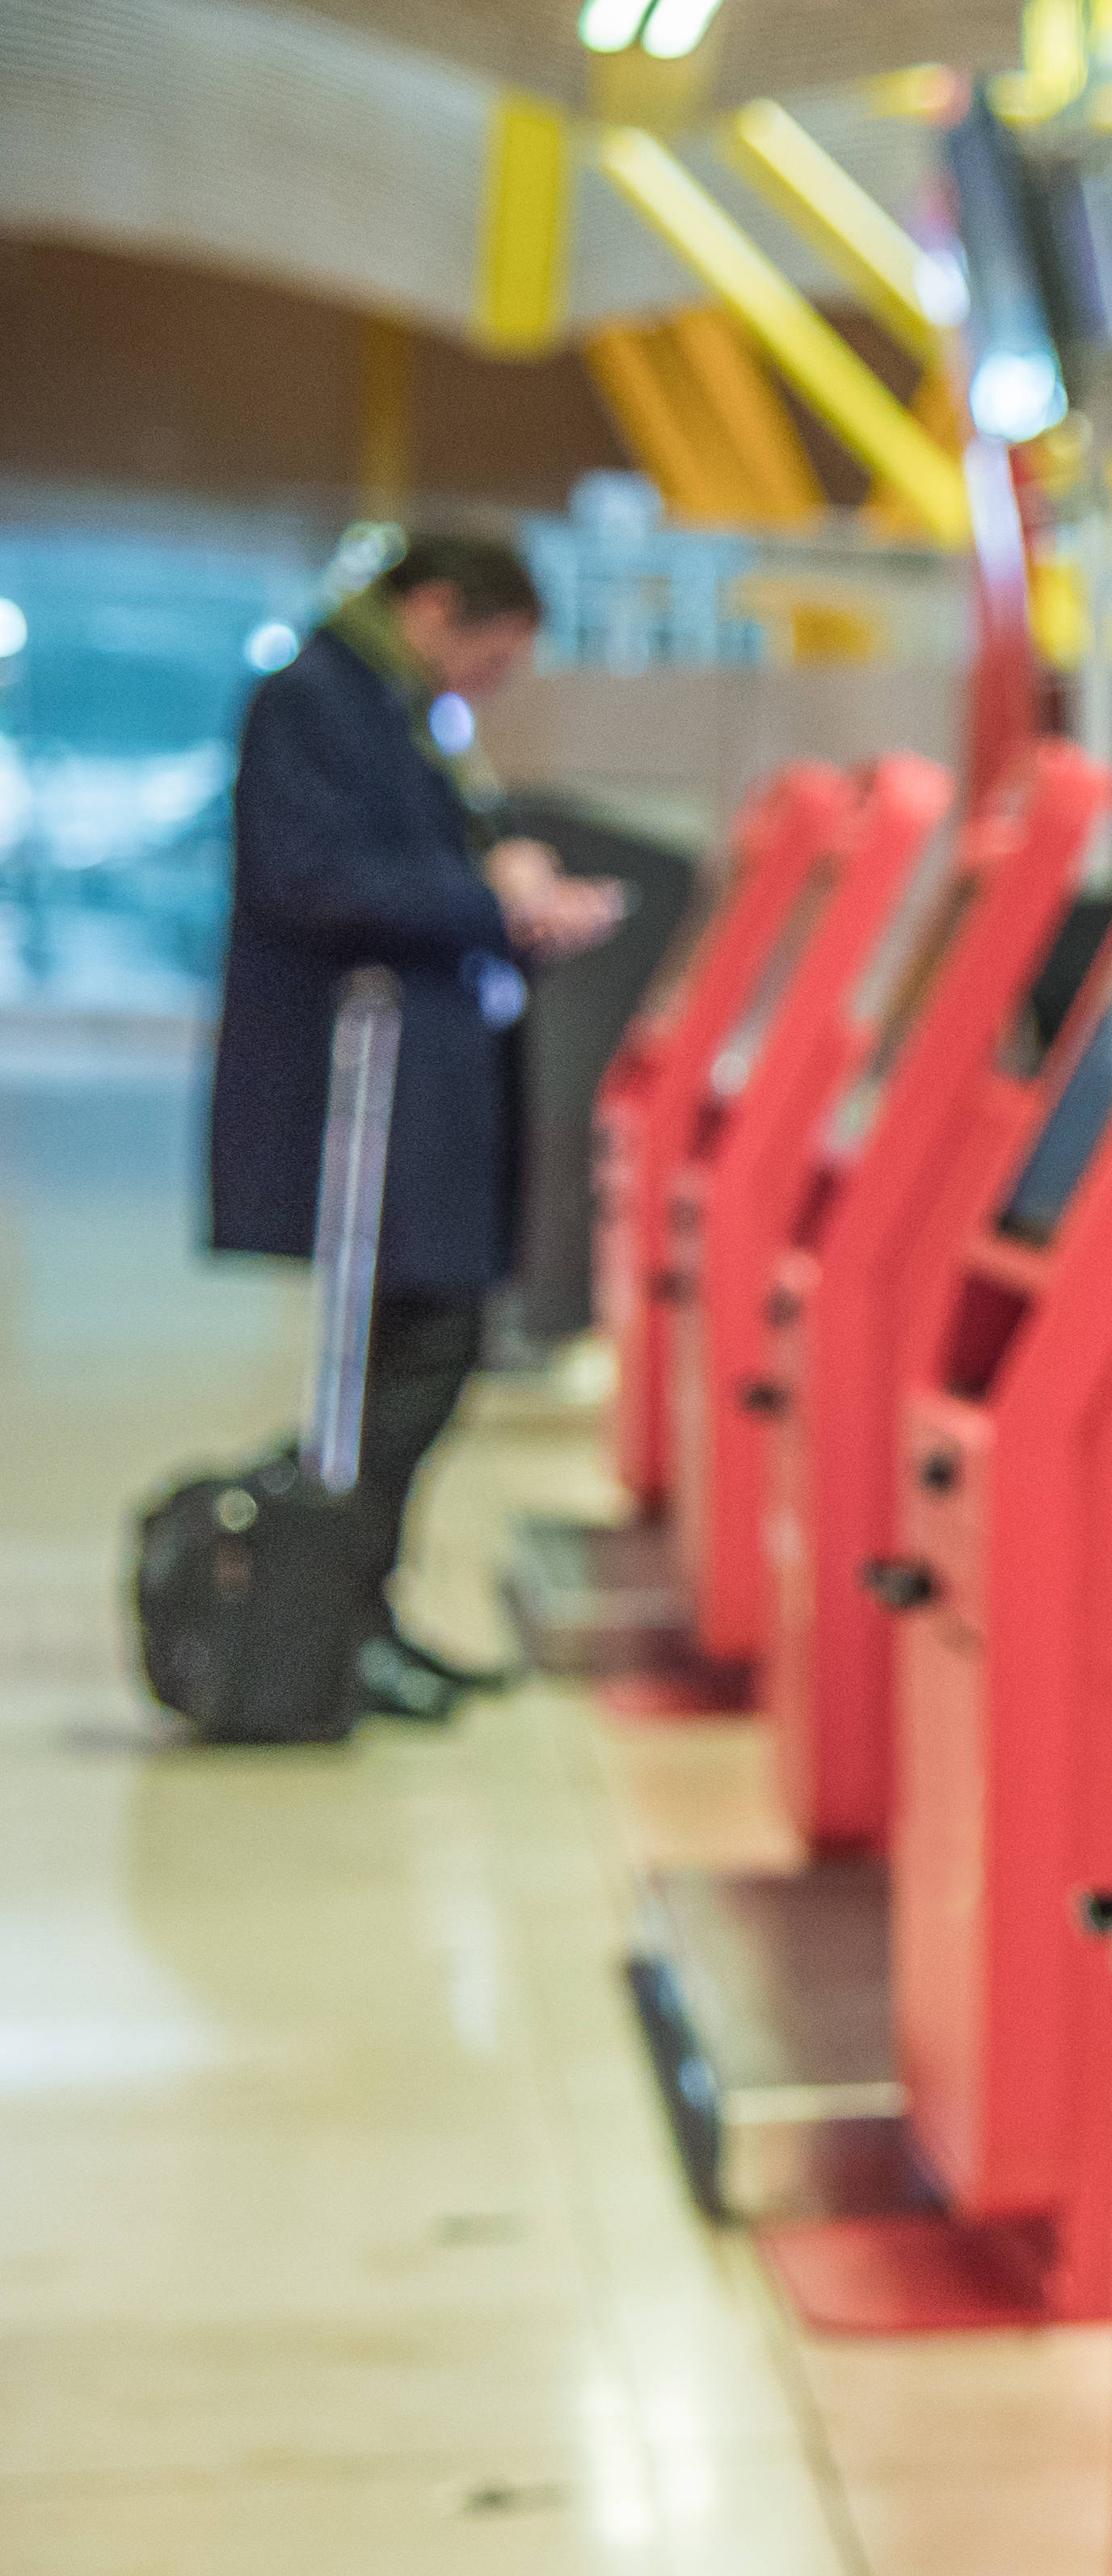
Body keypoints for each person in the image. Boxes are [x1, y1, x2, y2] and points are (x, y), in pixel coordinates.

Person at [203, 529, 626, 1724]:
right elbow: (309, 878)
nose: (482, 687)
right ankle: (330, 1623)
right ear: (435, 609)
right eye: (486, 658)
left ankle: (358, 1613)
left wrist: (503, 881)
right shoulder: (316, 699)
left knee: (420, 1352)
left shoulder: (379, 703)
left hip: (412, 1091)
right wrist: (491, 901)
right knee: (395, 1365)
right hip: (362, 1098)